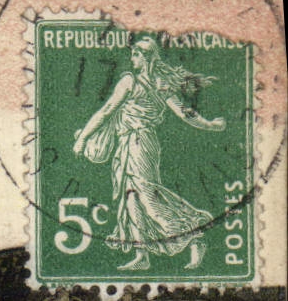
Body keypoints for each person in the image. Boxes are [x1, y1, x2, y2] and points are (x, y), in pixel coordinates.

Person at [72, 35, 228, 271]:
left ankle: (194, 235)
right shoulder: (159, 84)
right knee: (131, 198)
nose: (132, 59)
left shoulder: (132, 82)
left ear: (145, 58)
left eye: (135, 54)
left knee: (147, 196)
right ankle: (142, 254)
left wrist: (83, 138)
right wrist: (211, 125)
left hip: (139, 143)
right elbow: (186, 114)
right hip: (129, 143)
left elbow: (106, 111)